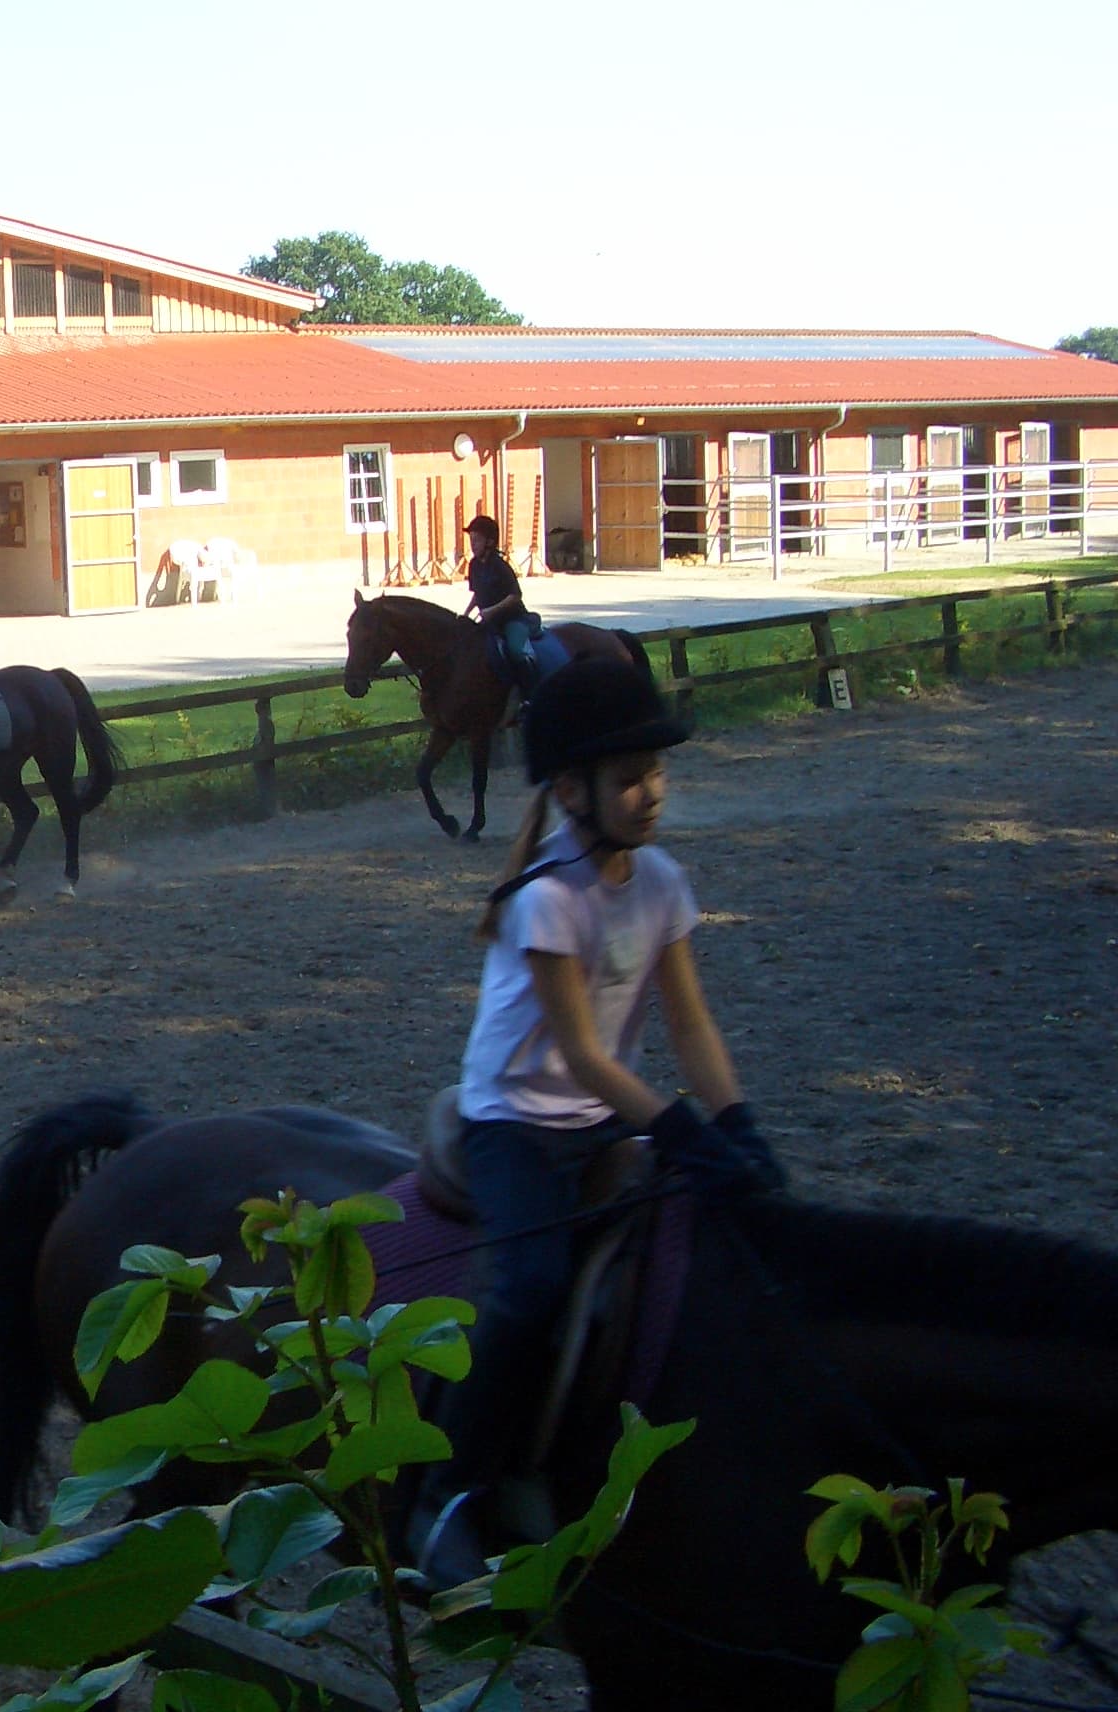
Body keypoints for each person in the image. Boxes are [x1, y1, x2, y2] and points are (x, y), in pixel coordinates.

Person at [413, 657, 781, 1588]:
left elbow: (689, 1021)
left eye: (656, 774)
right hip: (514, 1122)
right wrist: (681, 1129)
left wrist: (735, 1121)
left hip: (602, 1120)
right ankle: (445, 1496)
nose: (650, 793)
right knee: (529, 1290)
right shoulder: (548, 898)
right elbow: (581, 1054)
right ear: (572, 790)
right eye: (629, 778)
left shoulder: (660, 881)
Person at [462, 515, 541, 693]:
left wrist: (492, 610)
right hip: (490, 621)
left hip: (513, 619)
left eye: (477, 540)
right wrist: (466, 613)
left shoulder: (500, 566)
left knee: (515, 650)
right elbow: (477, 594)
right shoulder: (473, 565)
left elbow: (515, 596)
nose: (473, 544)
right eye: (471, 540)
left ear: (489, 542)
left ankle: (530, 693)